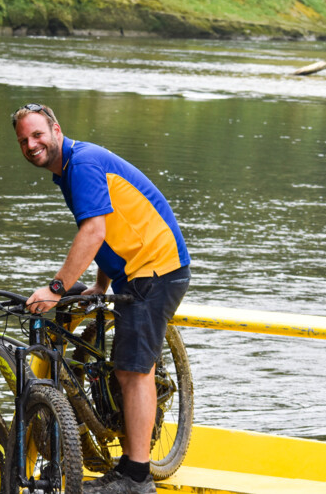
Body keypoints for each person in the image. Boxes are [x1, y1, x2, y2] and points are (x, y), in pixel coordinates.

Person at [11, 103, 191, 493]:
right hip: (132, 270)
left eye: (37, 134)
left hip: (157, 270)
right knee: (111, 352)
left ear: (56, 130)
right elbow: (110, 231)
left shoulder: (84, 164)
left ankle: (138, 477)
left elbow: (93, 233)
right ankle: (117, 454)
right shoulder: (68, 171)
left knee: (133, 370)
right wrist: (99, 286)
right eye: (24, 140)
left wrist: (56, 289)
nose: (31, 144)